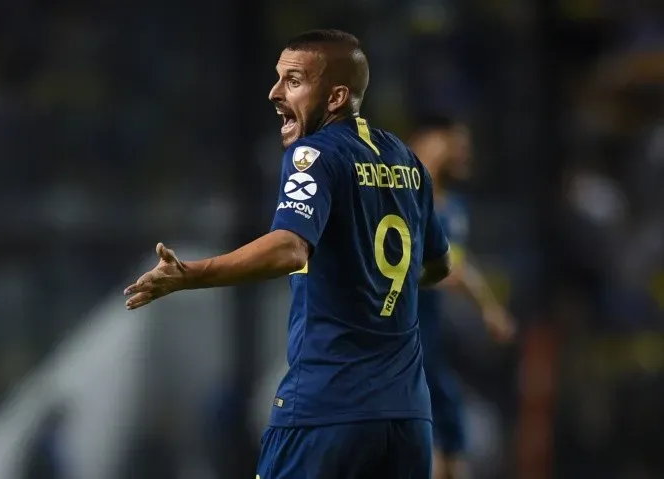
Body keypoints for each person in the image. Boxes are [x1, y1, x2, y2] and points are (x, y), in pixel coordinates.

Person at [124, 29, 452, 478]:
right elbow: (437, 265)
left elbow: (290, 248)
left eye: (293, 81)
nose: (274, 92)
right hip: (407, 417)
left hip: (326, 408)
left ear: (336, 97)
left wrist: (191, 274)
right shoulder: (407, 162)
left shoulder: (314, 154)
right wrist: (376, 287)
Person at [409, 116, 515, 479]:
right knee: (429, 456)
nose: (463, 154)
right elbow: (447, 269)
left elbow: (455, 263)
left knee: (454, 452)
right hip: (398, 350)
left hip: (432, 350)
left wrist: (489, 308)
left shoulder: (453, 208)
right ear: (428, 140)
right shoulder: (398, 199)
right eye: (456, 144)